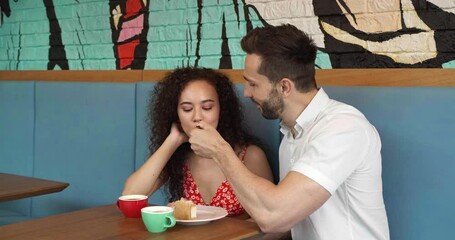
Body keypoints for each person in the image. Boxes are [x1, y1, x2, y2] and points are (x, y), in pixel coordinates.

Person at [188, 24, 390, 239]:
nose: (246, 93)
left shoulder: (343, 128)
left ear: (284, 87)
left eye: (253, 84)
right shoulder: (292, 134)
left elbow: (274, 217)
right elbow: (284, 224)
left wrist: (220, 151)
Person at [122, 67, 273, 218]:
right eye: (187, 109)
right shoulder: (180, 158)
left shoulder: (250, 156)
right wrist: (172, 140)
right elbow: (130, 196)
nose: (197, 117)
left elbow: (270, 219)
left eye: (207, 107)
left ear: (222, 109)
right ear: (176, 114)